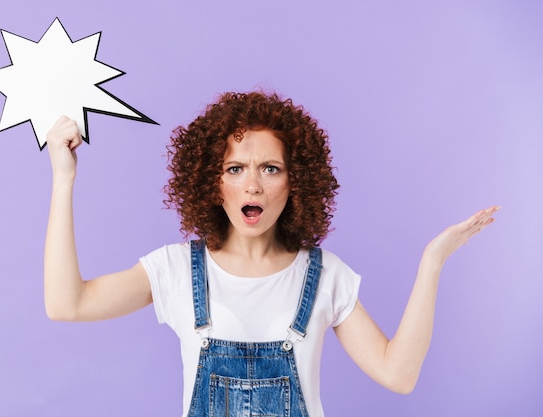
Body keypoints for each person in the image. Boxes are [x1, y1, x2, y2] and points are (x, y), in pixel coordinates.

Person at [44, 91, 498, 417]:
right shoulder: (175, 269)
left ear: (295, 182)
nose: (253, 184)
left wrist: (432, 262)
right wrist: (63, 180)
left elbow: (399, 376)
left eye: (271, 168)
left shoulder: (325, 277)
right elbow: (67, 304)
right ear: (211, 182)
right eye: (235, 168)